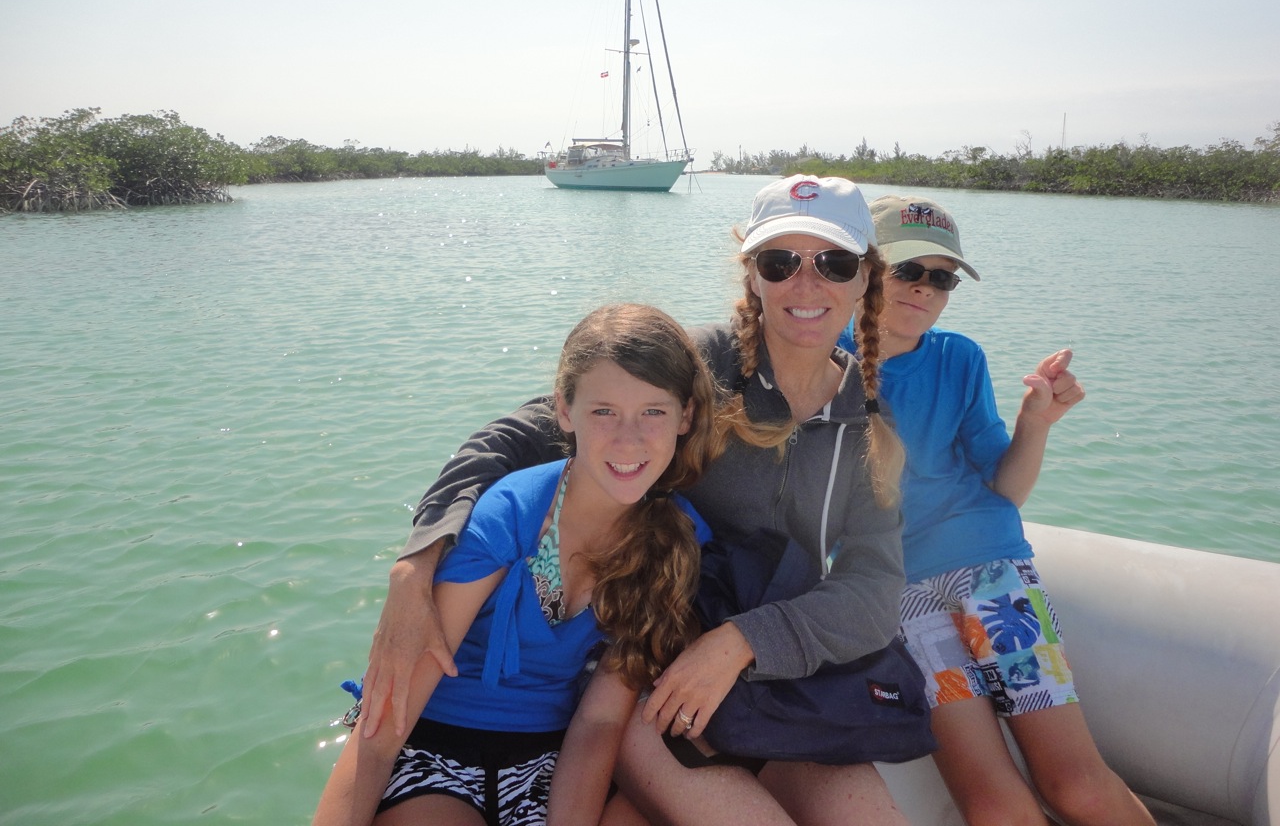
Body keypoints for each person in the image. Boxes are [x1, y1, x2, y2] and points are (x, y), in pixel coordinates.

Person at [360, 175, 914, 826]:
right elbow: (516, 438)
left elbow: (875, 587)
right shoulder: (698, 366)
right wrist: (416, 563)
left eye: (835, 263)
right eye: (780, 262)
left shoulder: (867, 422)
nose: (806, 283)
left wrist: (741, 642)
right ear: (752, 273)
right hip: (648, 665)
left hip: (776, 676)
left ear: (866, 277)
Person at [312, 303, 719, 826]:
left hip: (547, 759)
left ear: (685, 416)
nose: (628, 438)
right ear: (565, 411)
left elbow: (599, 722)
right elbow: (389, 717)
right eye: (603, 411)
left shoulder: (673, 538)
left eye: (653, 412)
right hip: (435, 750)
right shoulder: (511, 515)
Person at [836, 194, 1155, 826]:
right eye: (908, 270)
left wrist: (1036, 422)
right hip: (900, 598)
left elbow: (1004, 490)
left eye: (942, 278)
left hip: (994, 576)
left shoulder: (960, 358)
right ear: (863, 269)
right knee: (994, 806)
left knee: (1077, 788)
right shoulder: (819, 365)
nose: (925, 288)